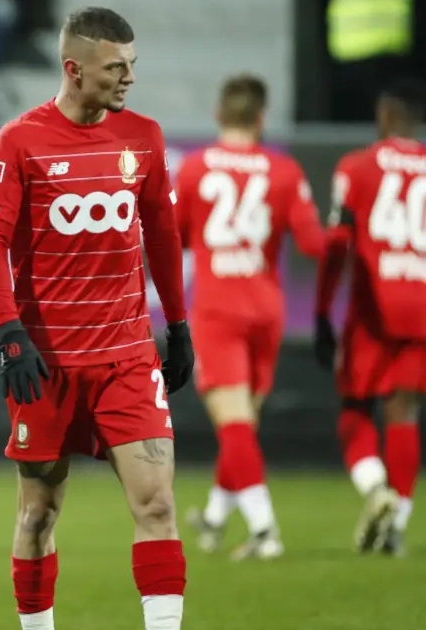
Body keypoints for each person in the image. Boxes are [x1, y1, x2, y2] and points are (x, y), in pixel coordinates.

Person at [0, 8, 193, 630]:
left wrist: (178, 326)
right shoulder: (20, 140)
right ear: (73, 69)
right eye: (115, 67)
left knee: (157, 506)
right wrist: (10, 334)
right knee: (38, 512)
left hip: (127, 358)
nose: (129, 78)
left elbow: (163, 234)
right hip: (48, 363)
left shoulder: (143, 137)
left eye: (132, 66)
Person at [177, 74, 326, 560]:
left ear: (219, 114)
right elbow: (313, 244)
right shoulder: (284, 171)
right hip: (266, 308)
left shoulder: (195, 168)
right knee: (243, 422)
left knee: (234, 424)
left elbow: (173, 237)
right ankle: (216, 516)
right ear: (262, 119)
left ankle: (265, 530)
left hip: (218, 307)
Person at [314, 78, 426, 557]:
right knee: (405, 413)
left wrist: (322, 311)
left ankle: (377, 489)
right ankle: (396, 528)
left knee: (355, 409)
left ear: (384, 115)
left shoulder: (356, 166)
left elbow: (338, 244)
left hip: (373, 308)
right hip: (422, 305)